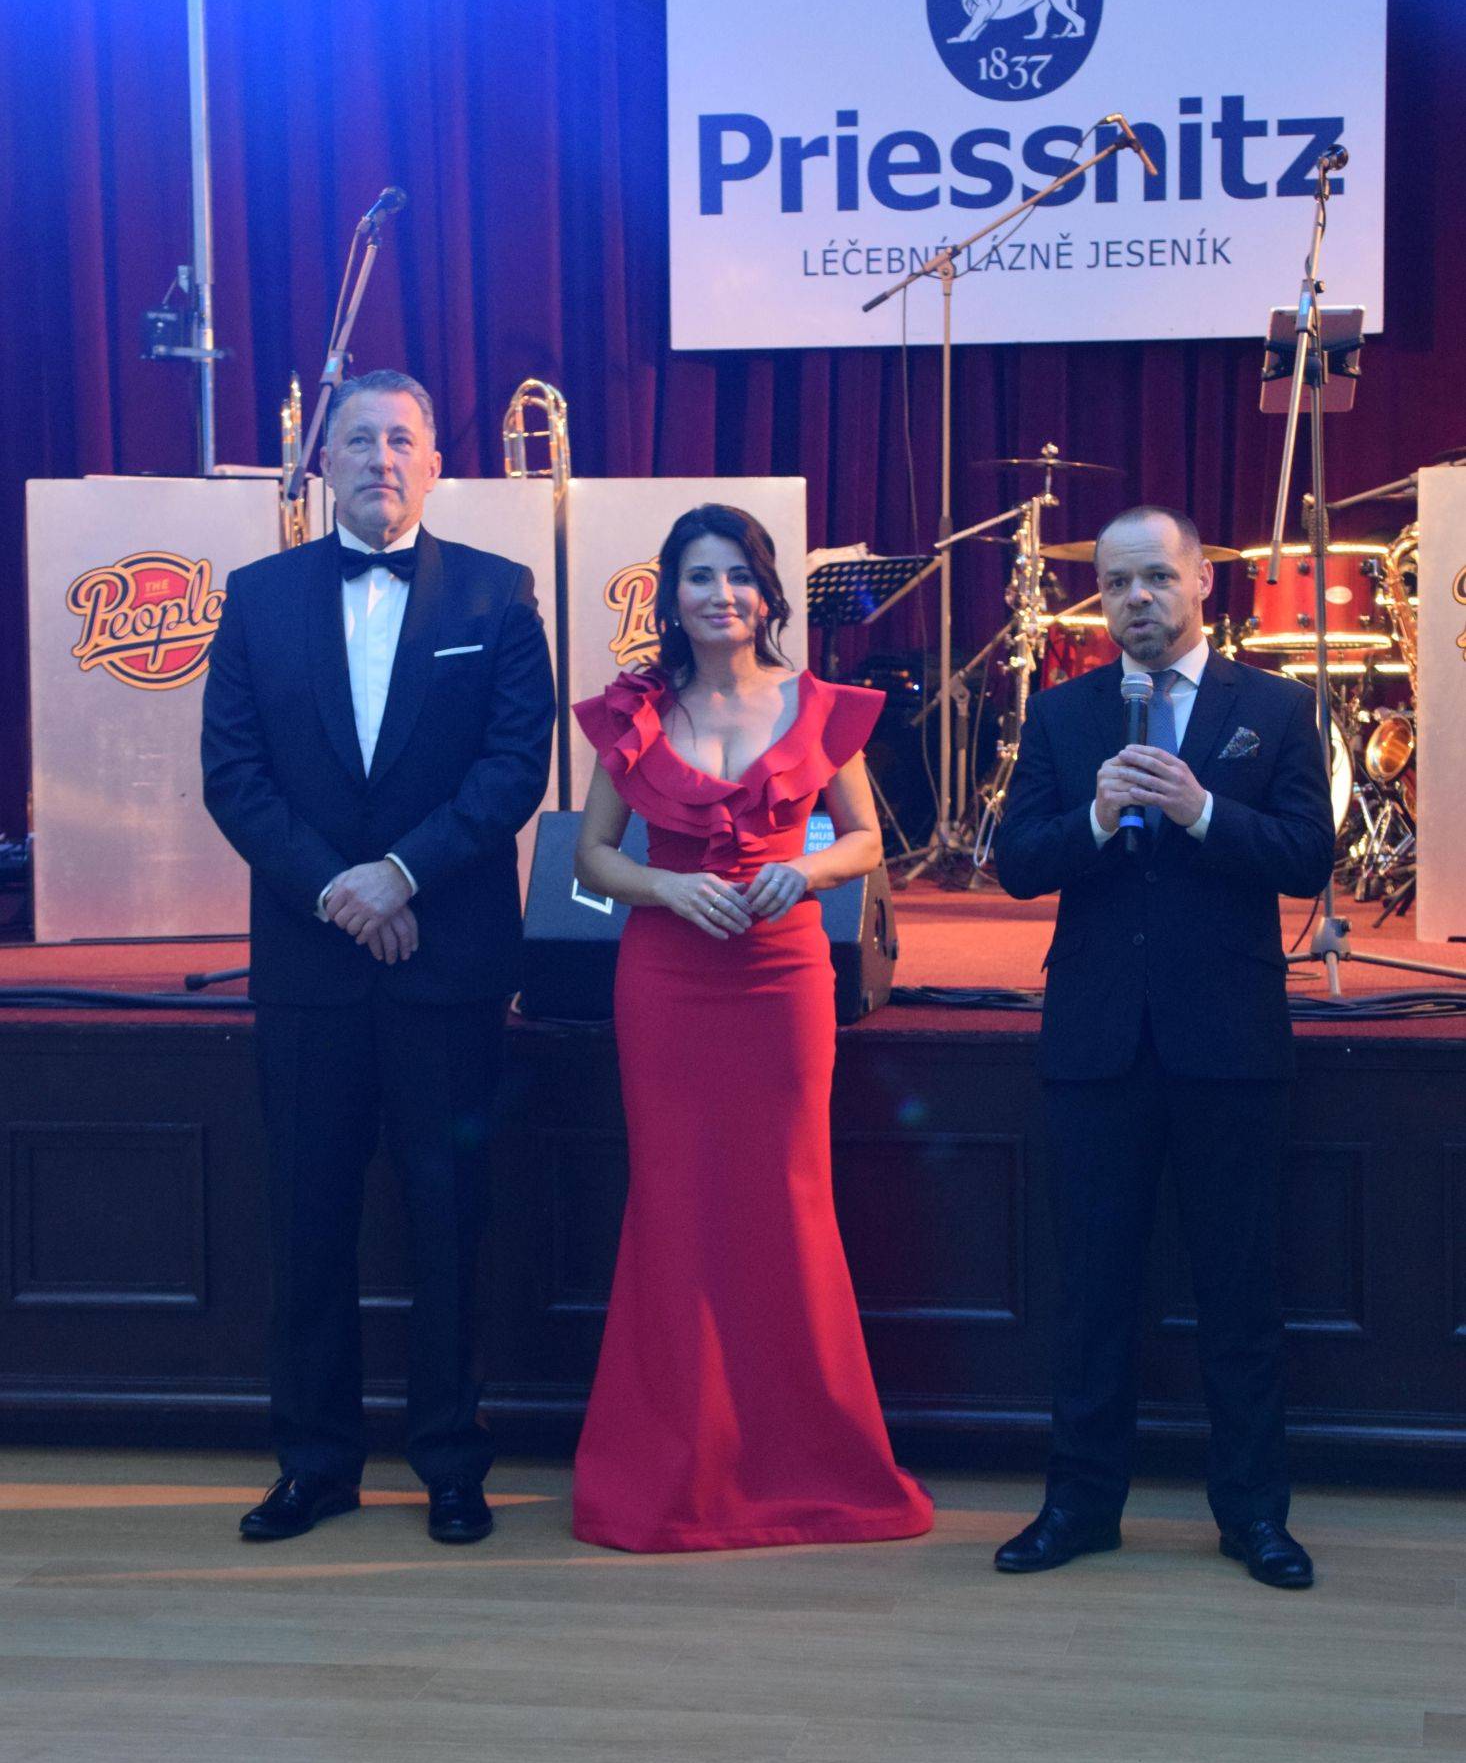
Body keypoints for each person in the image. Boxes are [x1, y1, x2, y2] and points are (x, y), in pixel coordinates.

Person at [201, 370, 555, 1545]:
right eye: (358, 439)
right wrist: (339, 893)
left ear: (436, 464)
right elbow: (235, 777)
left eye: (402, 440)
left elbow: (512, 768)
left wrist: (399, 874)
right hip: (310, 967)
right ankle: (314, 1463)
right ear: (323, 466)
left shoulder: (498, 593)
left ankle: (451, 1461)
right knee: (308, 1221)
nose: (380, 459)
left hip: (446, 959)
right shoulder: (256, 598)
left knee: (450, 1220)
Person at [569, 504, 933, 1552]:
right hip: (667, 978)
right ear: (670, 597)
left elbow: (865, 841)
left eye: (738, 575)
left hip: (782, 979)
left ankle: (802, 1458)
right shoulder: (636, 713)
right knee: (674, 1203)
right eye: (699, 576)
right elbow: (592, 857)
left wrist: (801, 872)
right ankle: (680, 1463)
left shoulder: (817, 705)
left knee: (788, 1200)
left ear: (767, 594)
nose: (720, 594)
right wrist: (669, 889)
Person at [992, 506, 1335, 1589]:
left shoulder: (1273, 709)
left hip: (1228, 1042)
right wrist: (1095, 820)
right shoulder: (1063, 713)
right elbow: (1016, 862)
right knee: (1092, 1291)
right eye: (1113, 583)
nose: (1134, 599)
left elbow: (1305, 856)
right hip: (1097, 1042)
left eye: (1154, 577)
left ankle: (1254, 1516)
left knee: (1238, 1291)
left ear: (1201, 583)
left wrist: (1200, 811)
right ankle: (1079, 1506)